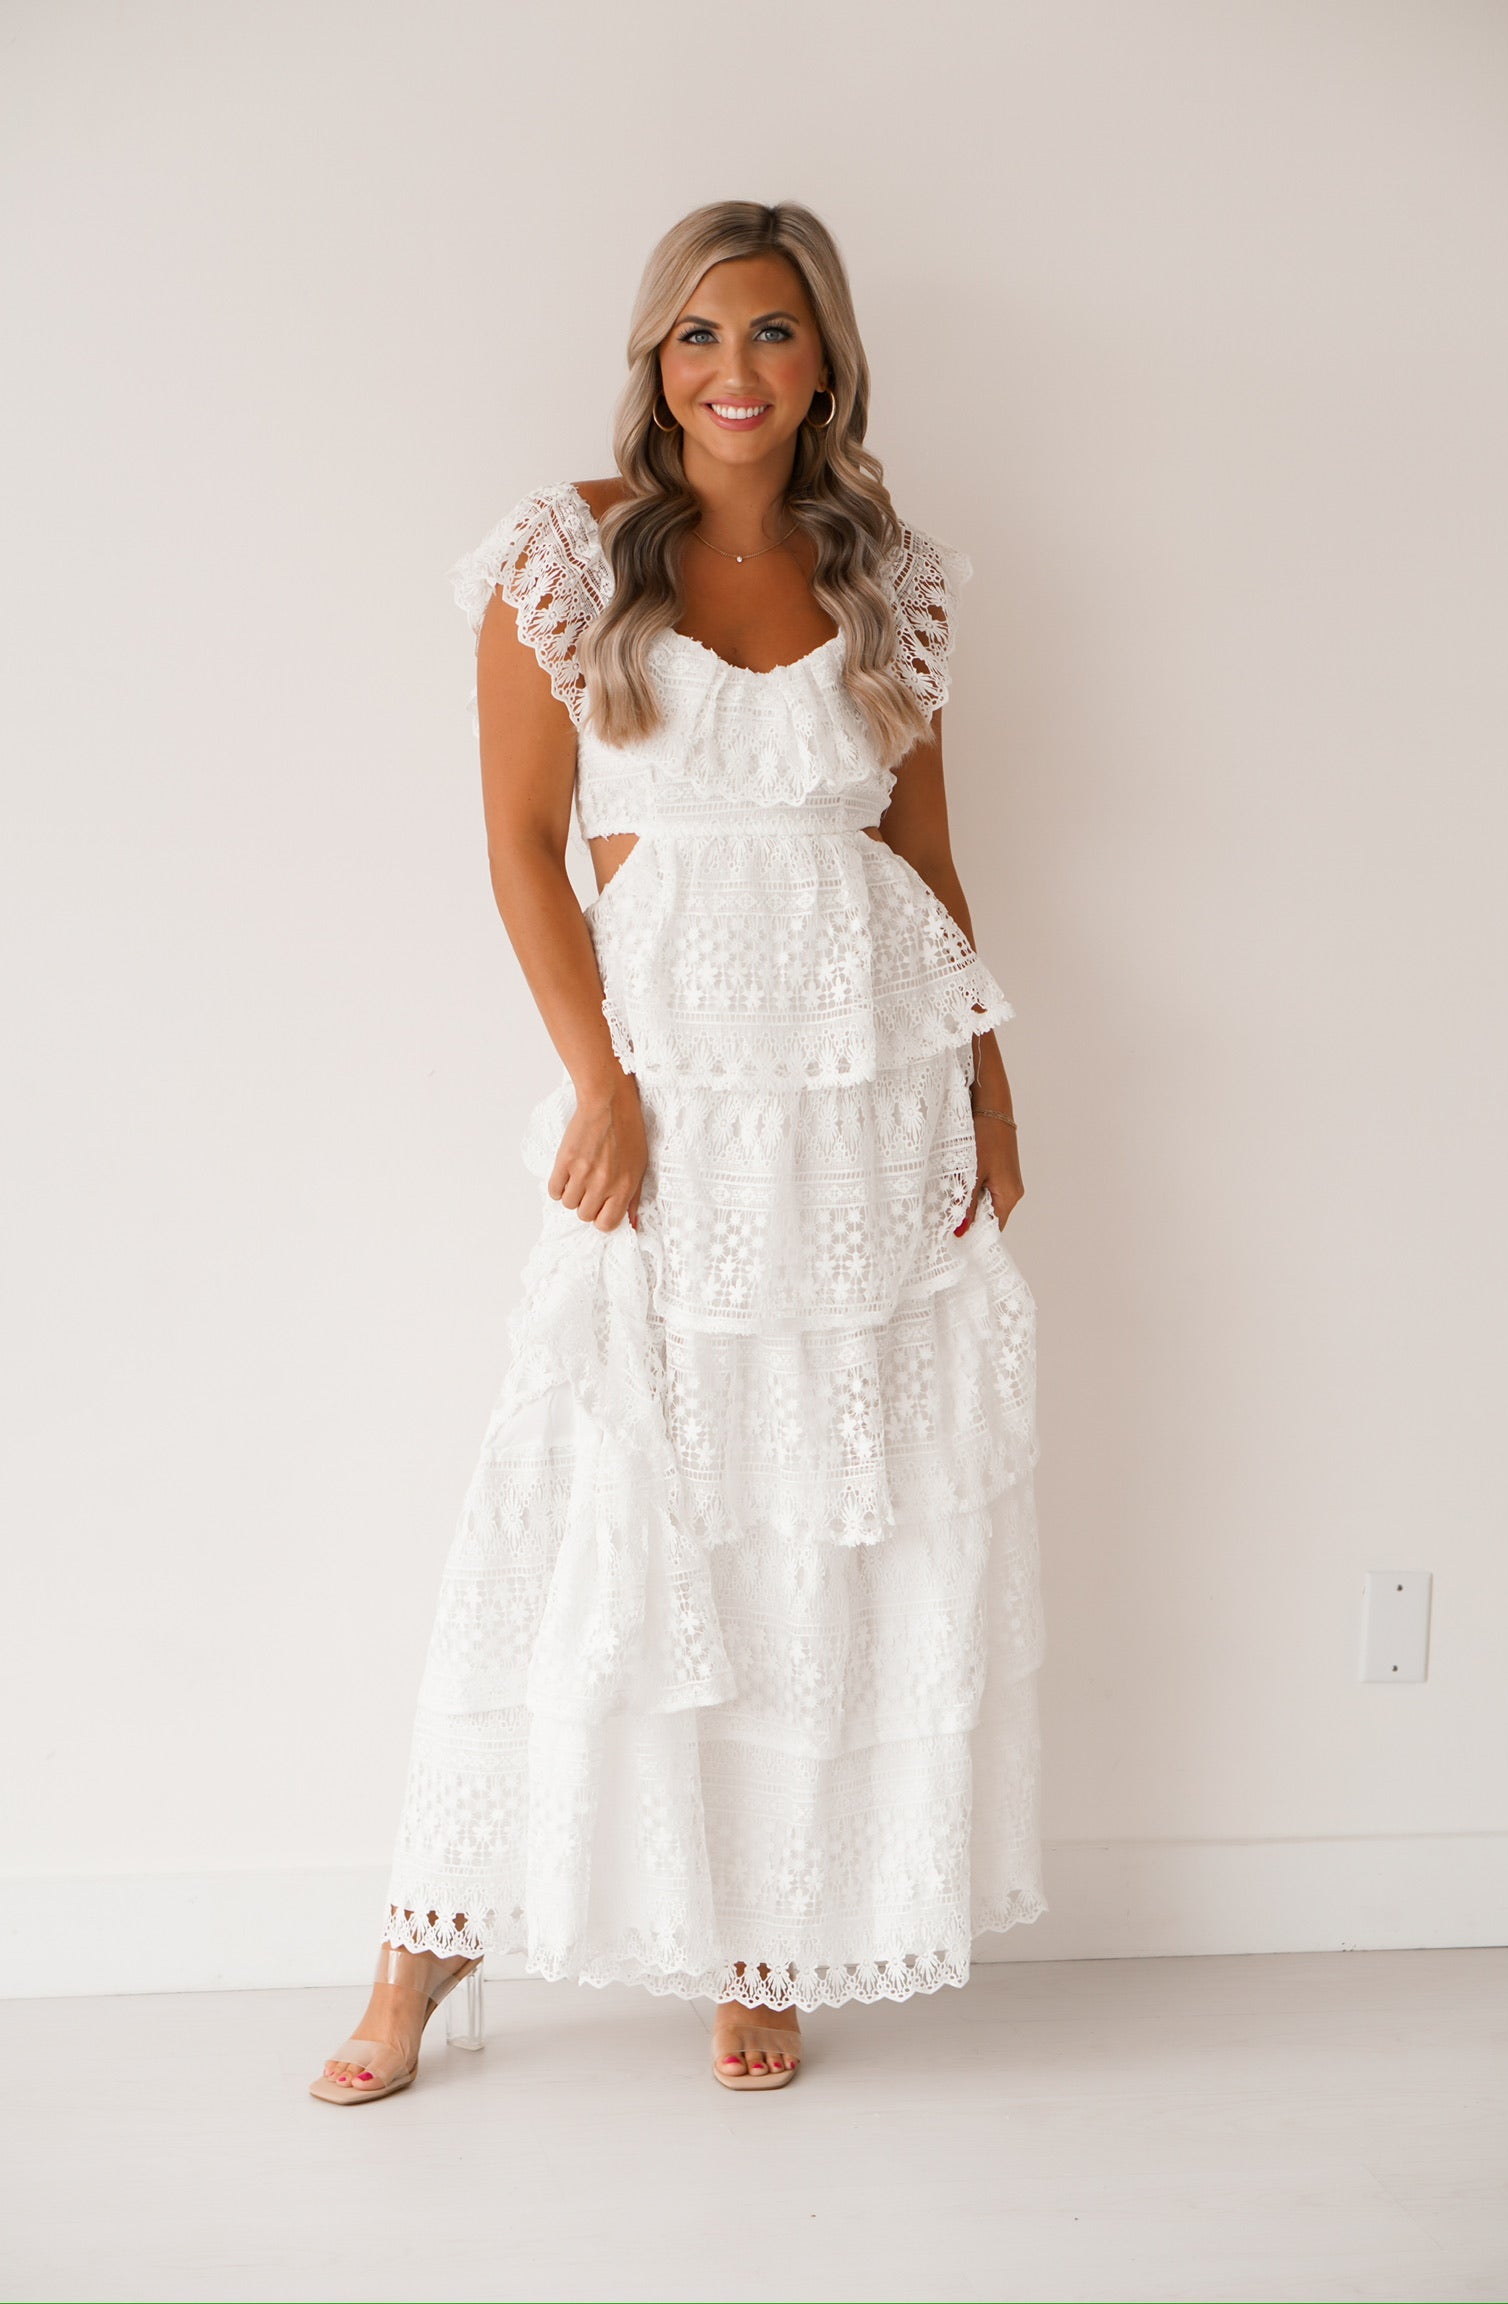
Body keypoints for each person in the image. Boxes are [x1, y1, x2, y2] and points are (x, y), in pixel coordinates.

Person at [310, 197, 1045, 2105]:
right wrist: (599, 1086)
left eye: (775, 335)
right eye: (700, 336)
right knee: (578, 1502)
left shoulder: (892, 578)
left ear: (828, 364)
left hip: (865, 1101)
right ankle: (414, 1966)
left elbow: (923, 854)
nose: (734, 372)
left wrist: (986, 1077)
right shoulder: (567, 560)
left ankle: (766, 1934)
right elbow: (522, 852)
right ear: (655, 360)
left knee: (812, 1510)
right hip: (669, 1099)